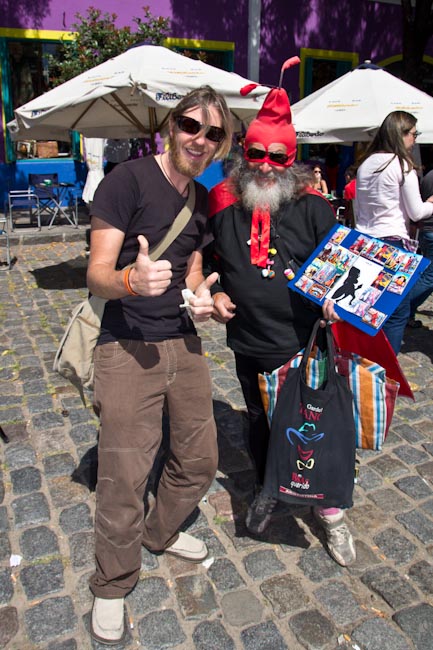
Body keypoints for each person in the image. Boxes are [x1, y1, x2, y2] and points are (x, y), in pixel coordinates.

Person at [87, 85, 233, 646]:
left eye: (213, 132)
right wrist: (130, 280)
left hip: (182, 339)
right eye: (191, 126)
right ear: (171, 126)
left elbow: (192, 271)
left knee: (199, 458)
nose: (200, 139)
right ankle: (112, 581)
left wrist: (206, 299)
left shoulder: (202, 198)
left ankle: (160, 531)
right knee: (124, 471)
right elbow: (97, 272)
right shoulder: (125, 181)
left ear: (221, 144)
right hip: (125, 343)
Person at [204, 59, 356, 568]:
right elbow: (206, 262)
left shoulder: (314, 206)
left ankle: (331, 511)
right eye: (255, 153)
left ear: (291, 158)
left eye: (276, 155)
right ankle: (270, 487)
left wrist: (339, 301)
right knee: (259, 422)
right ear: (244, 153)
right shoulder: (223, 201)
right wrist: (215, 292)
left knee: (320, 428)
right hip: (249, 341)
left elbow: (344, 270)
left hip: (306, 342)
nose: (265, 165)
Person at [355, 110, 433, 354]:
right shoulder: (401, 166)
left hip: (363, 241)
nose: (415, 139)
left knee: (366, 307)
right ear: (401, 135)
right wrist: (431, 202)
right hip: (392, 244)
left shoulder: (365, 164)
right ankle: (385, 367)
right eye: (413, 134)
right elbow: (417, 212)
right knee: (396, 312)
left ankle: (364, 356)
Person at [407, 167, 433, 327]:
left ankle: (407, 310)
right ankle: (403, 309)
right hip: (430, 229)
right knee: (429, 277)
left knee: (427, 275)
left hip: (426, 230)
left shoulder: (429, 176)